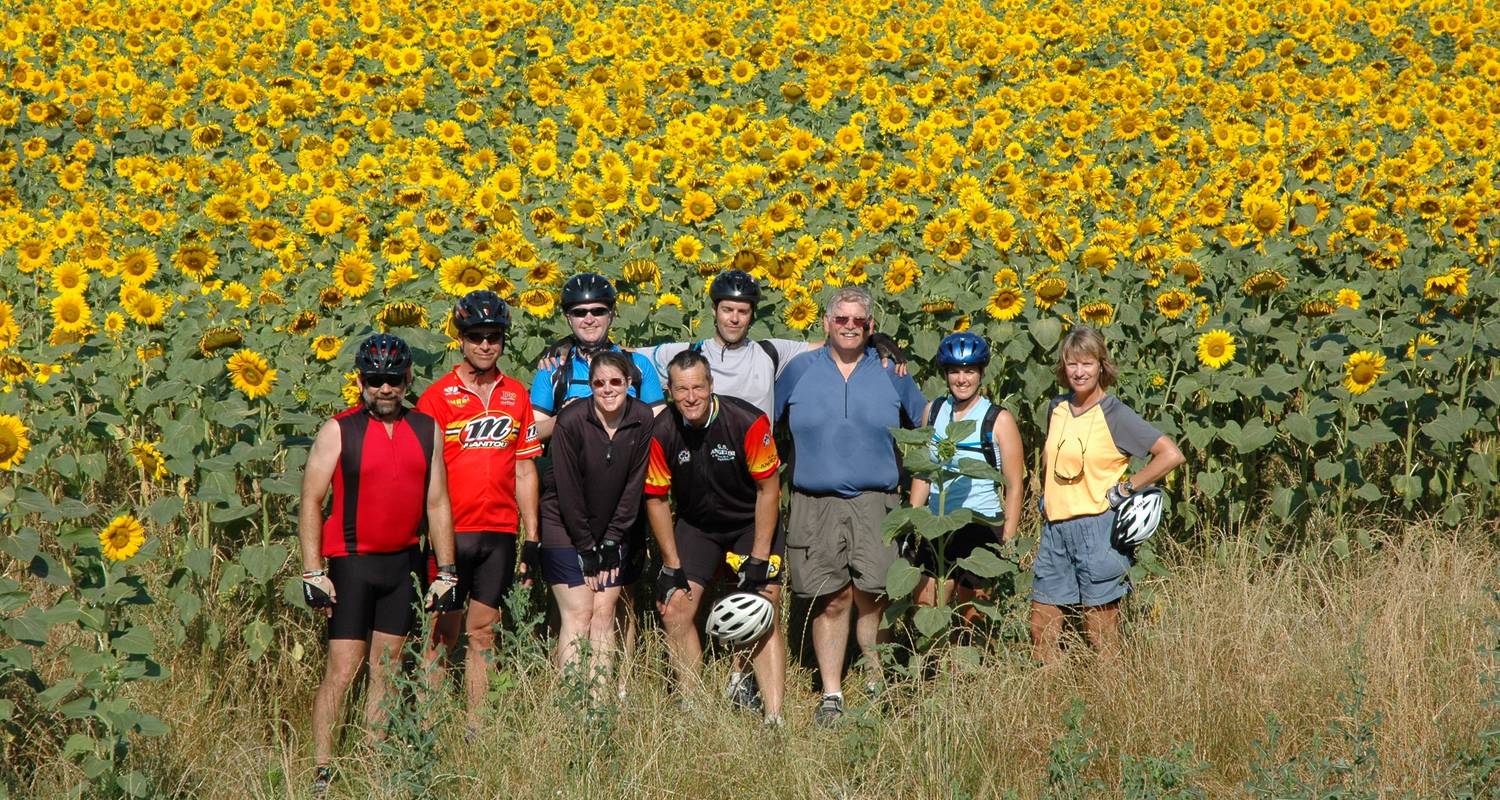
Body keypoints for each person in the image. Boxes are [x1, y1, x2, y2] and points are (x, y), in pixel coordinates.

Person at [631, 269, 907, 711]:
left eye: (743, 311)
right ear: (714, 311)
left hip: (753, 489)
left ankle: (760, 700)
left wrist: (878, 341)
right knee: (682, 603)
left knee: (761, 600)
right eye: (727, 310)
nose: (735, 318)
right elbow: (623, 352)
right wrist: (566, 350)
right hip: (699, 500)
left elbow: (837, 341)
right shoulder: (684, 355)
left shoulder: (773, 352)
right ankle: (696, 703)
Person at [298, 333, 458, 793]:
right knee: (344, 669)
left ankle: (373, 763)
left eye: (393, 380)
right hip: (351, 565)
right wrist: (313, 571)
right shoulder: (339, 430)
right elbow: (311, 501)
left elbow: (439, 504)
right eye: (374, 380)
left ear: (408, 378)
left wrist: (445, 571)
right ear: (360, 380)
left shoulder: (428, 429)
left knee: (387, 670)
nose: (384, 389)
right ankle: (323, 772)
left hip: (403, 564)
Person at [773, 286, 926, 724]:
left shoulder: (890, 371)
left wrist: (916, 500)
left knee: (874, 592)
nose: (849, 327)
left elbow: (924, 425)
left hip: (876, 500)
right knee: (830, 598)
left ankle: (876, 682)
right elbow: (765, 423)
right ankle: (832, 693)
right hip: (814, 501)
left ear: (870, 326)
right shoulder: (800, 370)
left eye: (858, 321)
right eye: (841, 319)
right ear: (826, 323)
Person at [415, 291, 542, 729]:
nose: (485, 346)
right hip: (452, 532)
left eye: (494, 337)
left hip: (500, 533)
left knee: (484, 634)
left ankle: (476, 730)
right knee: (440, 634)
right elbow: (424, 476)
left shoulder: (515, 394)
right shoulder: (436, 397)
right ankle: (428, 729)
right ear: (460, 339)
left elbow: (525, 469)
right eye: (475, 337)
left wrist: (532, 537)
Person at [645, 350, 787, 724]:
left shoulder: (747, 421)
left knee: (761, 607)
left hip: (750, 521)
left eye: (697, 387)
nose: (690, 397)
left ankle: (774, 716)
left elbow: (769, 492)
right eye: (681, 389)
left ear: (711, 386)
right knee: (673, 608)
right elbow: (657, 499)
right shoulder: (661, 432)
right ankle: (695, 707)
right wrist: (671, 565)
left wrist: (757, 558)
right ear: (670, 392)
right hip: (698, 526)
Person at [1030, 325, 1184, 663]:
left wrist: (1127, 487)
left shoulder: (1114, 414)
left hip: (1097, 528)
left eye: (1087, 363)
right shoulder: (1057, 407)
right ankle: (1046, 701)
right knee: (1041, 625)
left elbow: (1170, 454)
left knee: (1100, 630)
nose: (1079, 372)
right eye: (1072, 364)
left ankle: (1113, 703)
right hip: (1055, 528)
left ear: (1102, 365)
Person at [536, 350, 653, 688]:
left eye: (616, 382)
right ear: (590, 387)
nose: (608, 389)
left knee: (604, 614)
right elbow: (567, 489)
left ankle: (599, 707)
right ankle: (574, 702)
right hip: (565, 525)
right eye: (599, 383)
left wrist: (613, 539)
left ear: (629, 384)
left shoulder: (642, 418)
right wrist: (587, 547)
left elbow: (635, 483)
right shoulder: (572, 419)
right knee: (579, 613)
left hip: (614, 525)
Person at [905, 332, 1025, 618]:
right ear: (945, 374)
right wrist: (911, 521)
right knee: (924, 605)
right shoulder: (932, 412)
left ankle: (968, 663)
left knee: (971, 615)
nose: (962, 379)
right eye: (955, 371)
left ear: (981, 373)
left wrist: (1007, 536)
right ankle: (935, 662)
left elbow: (1014, 484)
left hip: (980, 524)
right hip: (938, 523)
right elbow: (925, 471)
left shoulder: (998, 419)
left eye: (969, 371)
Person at [530, 272, 664, 440]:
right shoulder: (553, 369)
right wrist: (566, 416)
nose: (589, 319)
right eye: (579, 313)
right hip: (573, 463)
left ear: (611, 314)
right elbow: (533, 434)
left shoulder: (638, 365)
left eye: (598, 311)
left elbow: (661, 427)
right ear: (568, 318)